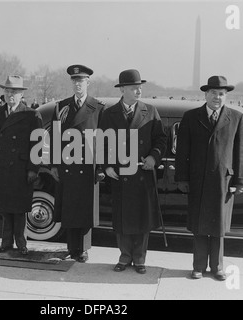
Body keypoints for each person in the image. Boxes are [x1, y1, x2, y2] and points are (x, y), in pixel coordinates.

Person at [175, 76, 243, 281]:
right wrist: (182, 178)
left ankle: (217, 267)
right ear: (206, 94)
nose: (218, 97)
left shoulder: (236, 118)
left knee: (219, 226)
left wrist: (241, 180)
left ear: (225, 96)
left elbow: (240, 151)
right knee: (199, 226)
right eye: (214, 93)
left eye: (222, 94)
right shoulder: (191, 117)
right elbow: (182, 151)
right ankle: (198, 266)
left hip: (223, 182)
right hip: (197, 181)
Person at [99, 69, 167, 274]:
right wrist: (107, 166)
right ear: (123, 90)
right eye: (134, 88)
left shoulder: (150, 111)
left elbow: (161, 139)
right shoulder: (109, 114)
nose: (138, 91)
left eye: (139, 87)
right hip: (120, 175)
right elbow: (101, 142)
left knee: (141, 218)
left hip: (142, 175)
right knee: (122, 218)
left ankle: (139, 258)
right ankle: (124, 256)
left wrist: (153, 157)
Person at [49, 64, 105, 263]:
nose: (77, 84)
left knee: (85, 210)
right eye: (74, 81)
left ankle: (83, 249)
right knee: (70, 209)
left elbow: (103, 141)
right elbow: (54, 137)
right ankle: (71, 248)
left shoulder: (98, 108)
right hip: (67, 166)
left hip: (88, 168)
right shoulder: (61, 106)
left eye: (81, 81)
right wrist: (54, 165)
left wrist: (101, 167)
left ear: (88, 82)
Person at [0, 75, 43, 254]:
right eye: (8, 91)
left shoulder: (31, 114)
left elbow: (37, 146)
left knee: (19, 209)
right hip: (1, 167)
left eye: (14, 92)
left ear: (21, 95)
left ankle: (21, 244)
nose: (10, 95)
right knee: (4, 208)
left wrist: (33, 169)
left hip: (21, 169)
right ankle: (6, 243)